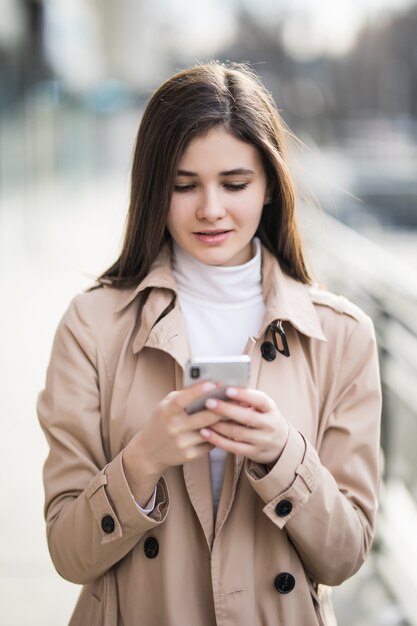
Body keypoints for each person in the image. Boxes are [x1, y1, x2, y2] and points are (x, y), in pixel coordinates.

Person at [38, 61, 381, 626]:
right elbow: (68, 553)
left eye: (235, 183)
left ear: (270, 185)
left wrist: (282, 453)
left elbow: (344, 554)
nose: (211, 209)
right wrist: (145, 458)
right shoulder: (91, 325)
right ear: (153, 188)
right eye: (183, 185)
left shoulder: (342, 335)